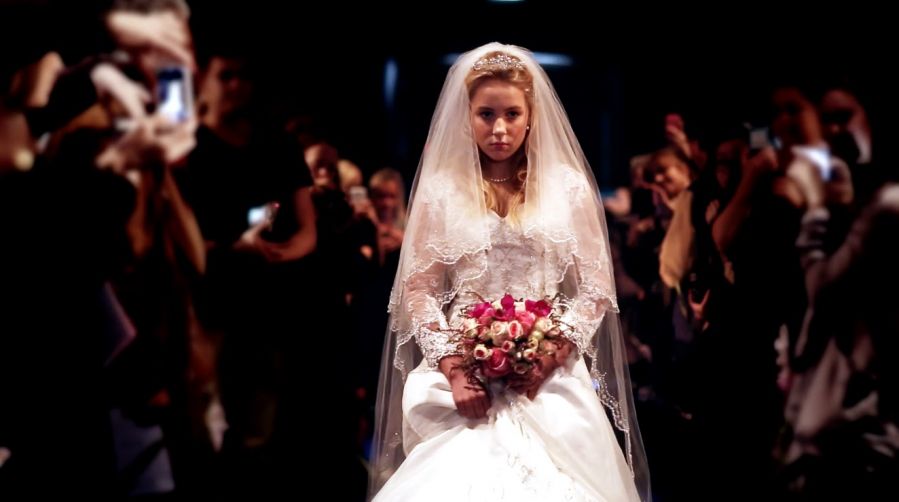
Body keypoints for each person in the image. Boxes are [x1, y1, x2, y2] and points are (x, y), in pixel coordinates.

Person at [369, 43, 649, 501]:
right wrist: (456, 369)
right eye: (485, 114)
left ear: (530, 115)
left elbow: (596, 286)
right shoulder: (442, 191)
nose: (499, 129)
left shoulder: (568, 187)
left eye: (512, 114)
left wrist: (550, 354)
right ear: (467, 116)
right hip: (463, 373)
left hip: (548, 373)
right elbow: (418, 290)